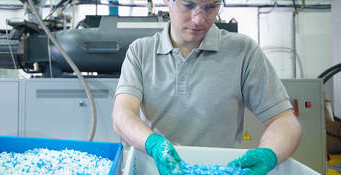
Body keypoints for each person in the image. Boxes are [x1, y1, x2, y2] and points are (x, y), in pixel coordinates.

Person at [112, 0, 302, 174]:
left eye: (211, 7)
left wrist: (269, 154)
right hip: (153, 168)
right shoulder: (141, 52)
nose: (198, 19)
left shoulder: (243, 52)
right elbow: (122, 114)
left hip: (219, 169)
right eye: (188, 5)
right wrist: (153, 144)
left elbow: (284, 121)